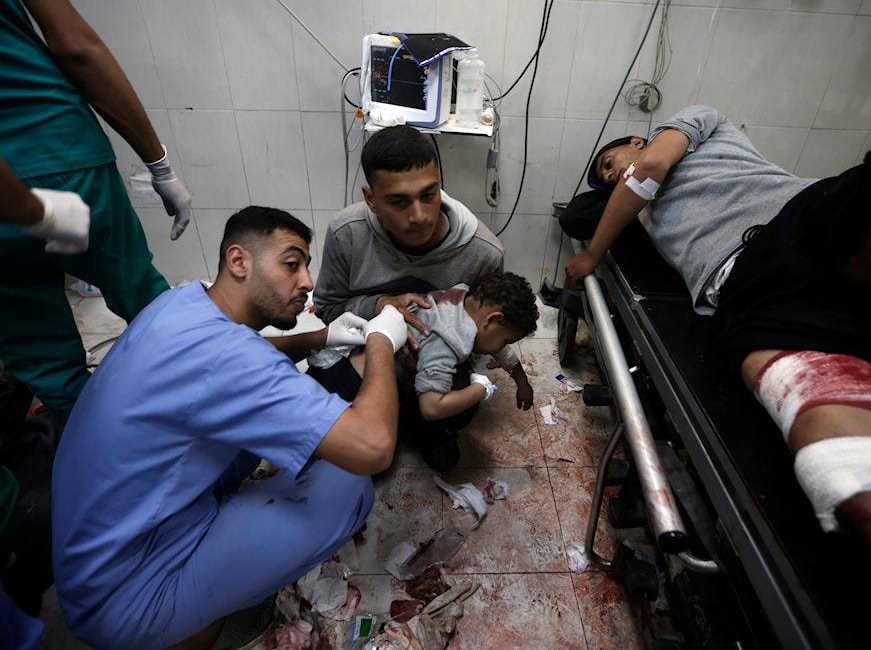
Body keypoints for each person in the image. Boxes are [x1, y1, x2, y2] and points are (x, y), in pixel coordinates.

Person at [565, 104, 871, 648]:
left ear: (635, 137)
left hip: (803, 216)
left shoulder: (695, 124)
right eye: (605, 177)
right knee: (846, 464)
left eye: (611, 161)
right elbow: (580, 215)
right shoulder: (634, 214)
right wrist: (610, 213)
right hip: (749, 283)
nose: (613, 175)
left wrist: (593, 255)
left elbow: (650, 164)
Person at [50, 206, 408, 650]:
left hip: (95, 555)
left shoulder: (180, 303)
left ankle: (198, 599)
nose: (308, 282)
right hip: (124, 598)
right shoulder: (228, 359)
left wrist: (322, 337)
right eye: (292, 264)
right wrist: (381, 341)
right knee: (349, 485)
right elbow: (373, 446)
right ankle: (182, 629)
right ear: (239, 262)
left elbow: (244, 352)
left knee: (249, 443)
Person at [0, 0, 193, 426]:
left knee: (45, 356)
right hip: (62, 151)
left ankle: (109, 458)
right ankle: (195, 427)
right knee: (145, 300)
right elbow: (76, 46)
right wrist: (158, 164)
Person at [312, 123, 507, 466]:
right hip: (365, 352)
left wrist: (442, 353)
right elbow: (327, 307)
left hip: (434, 359)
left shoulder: (483, 253)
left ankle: (423, 426)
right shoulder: (348, 233)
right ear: (371, 199)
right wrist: (379, 306)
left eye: (428, 195)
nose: (418, 216)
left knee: (460, 405)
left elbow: (483, 334)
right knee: (319, 401)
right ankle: (386, 417)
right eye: (399, 202)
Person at [311, 271, 538, 471]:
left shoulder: (461, 297)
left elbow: (499, 349)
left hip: (338, 363)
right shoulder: (449, 342)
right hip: (347, 392)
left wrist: (521, 381)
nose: (501, 347)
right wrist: (481, 389)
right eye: (505, 340)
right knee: (362, 463)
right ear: (493, 319)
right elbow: (431, 407)